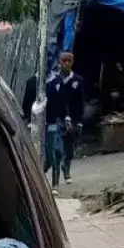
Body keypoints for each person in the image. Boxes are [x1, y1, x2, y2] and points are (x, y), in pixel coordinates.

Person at [42, 49, 85, 187]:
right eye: (63, 60)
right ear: (59, 62)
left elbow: (81, 102)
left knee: (70, 149)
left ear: (72, 62)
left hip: (73, 118)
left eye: (69, 60)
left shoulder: (78, 80)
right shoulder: (54, 81)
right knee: (57, 148)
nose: (66, 63)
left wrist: (79, 122)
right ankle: (55, 180)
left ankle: (66, 168)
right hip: (59, 118)